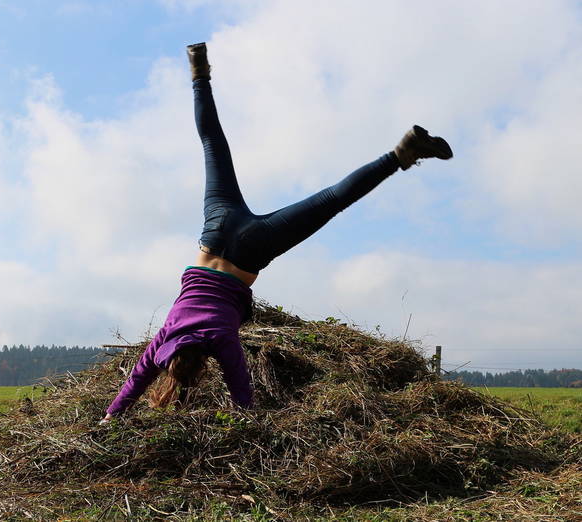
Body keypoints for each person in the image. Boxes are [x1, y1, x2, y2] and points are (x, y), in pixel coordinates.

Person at [100, 43, 452, 423]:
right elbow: (137, 379)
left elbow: (240, 388)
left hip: (254, 249)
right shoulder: (166, 337)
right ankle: (199, 75)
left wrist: (246, 422)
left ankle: (400, 155)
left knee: (333, 199)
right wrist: (111, 414)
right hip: (215, 232)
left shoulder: (221, 339)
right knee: (212, 145)